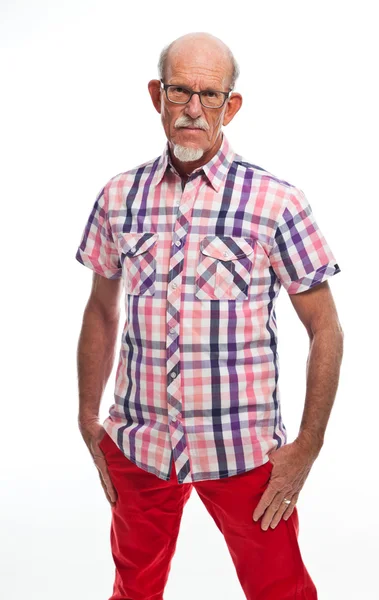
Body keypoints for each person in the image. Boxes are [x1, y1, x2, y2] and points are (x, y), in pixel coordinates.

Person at [75, 31, 344, 600]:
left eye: (210, 94)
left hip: (245, 450)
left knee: (281, 589)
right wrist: (87, 417)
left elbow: (325, 328)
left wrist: (307, 446)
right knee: (133, 587)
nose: (193, 108)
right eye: (180, 91)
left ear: (231, 105)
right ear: (157, 96)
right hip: (139, 445)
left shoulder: (277, 202)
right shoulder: (119, 196)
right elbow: (101, 311)